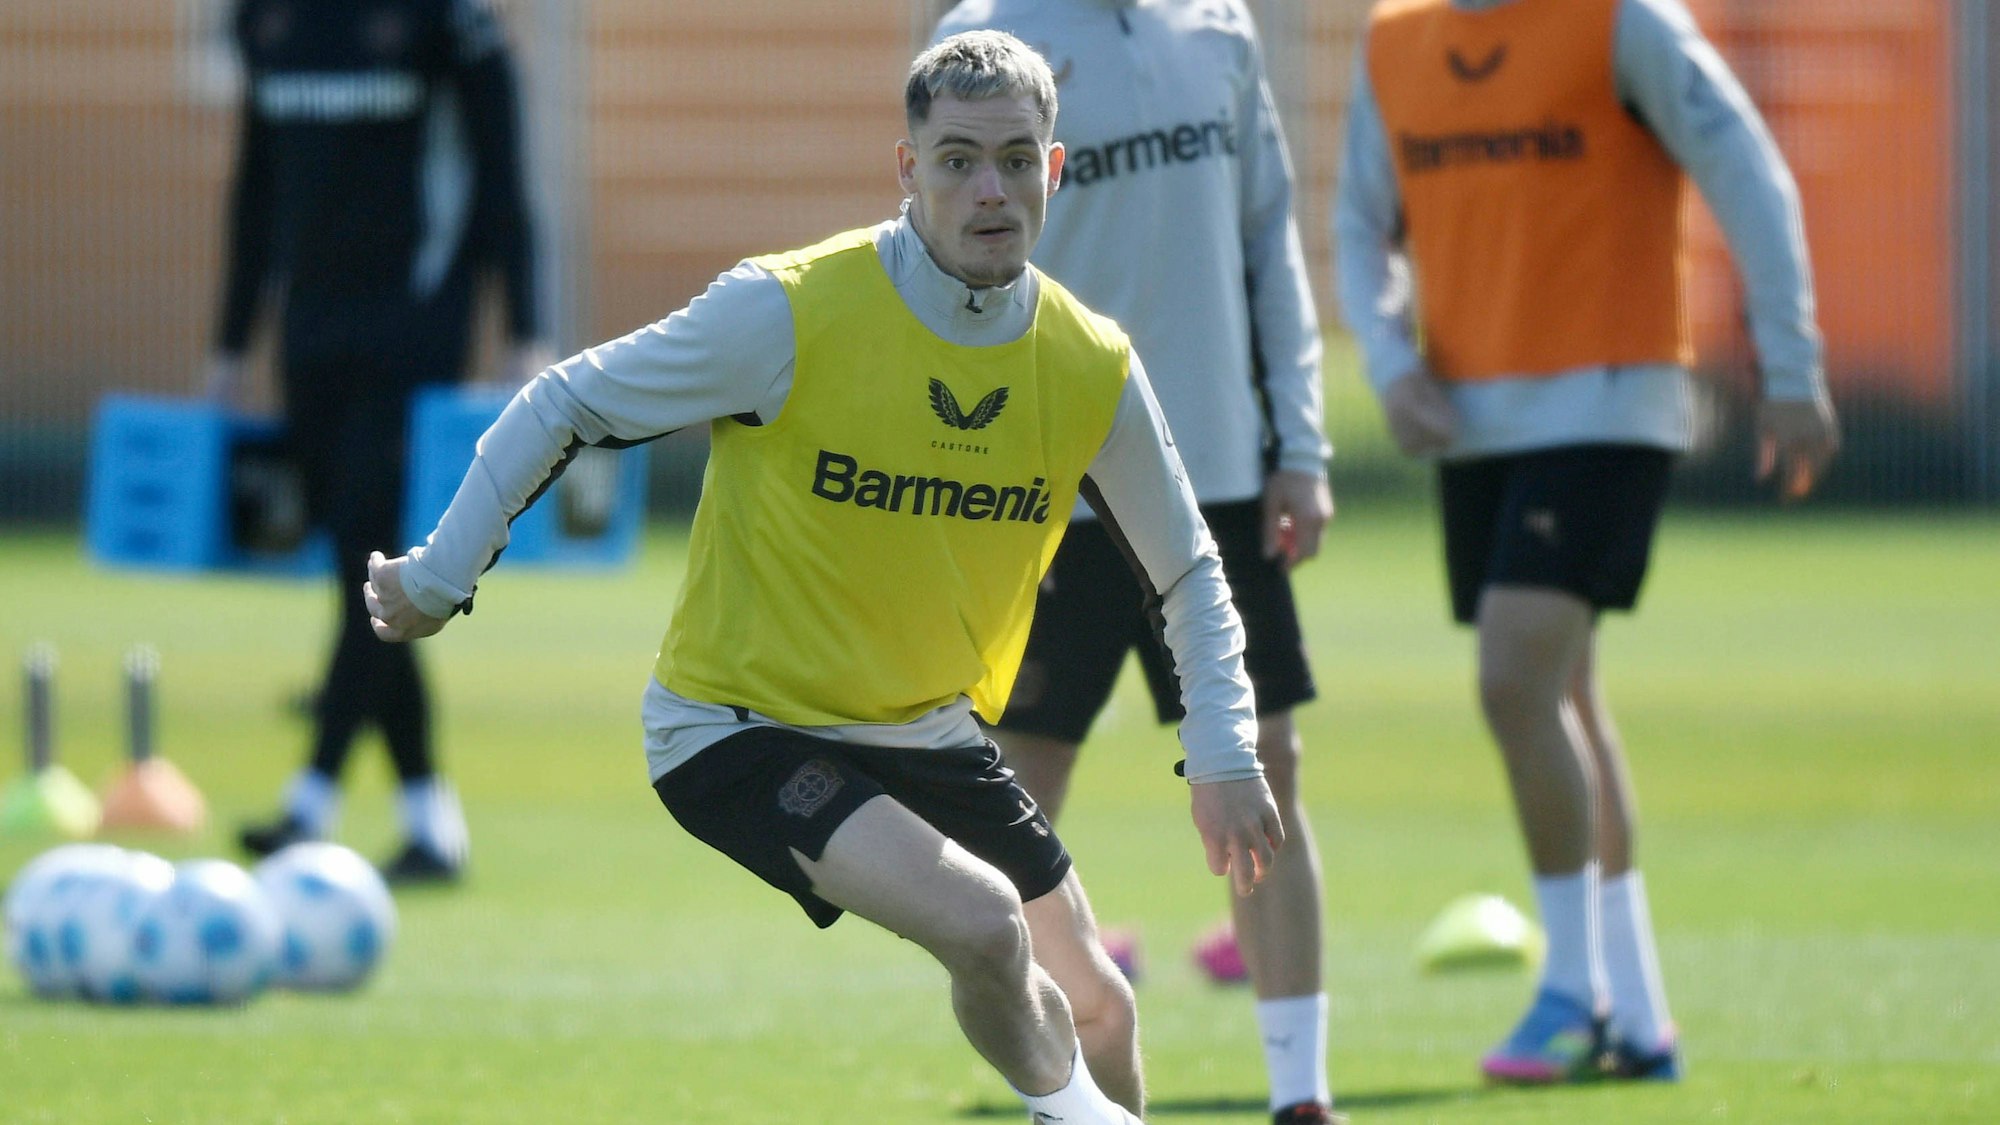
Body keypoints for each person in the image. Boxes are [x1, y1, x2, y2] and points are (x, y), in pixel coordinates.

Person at [363, 31, 1286, 1124]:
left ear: (1054, 169)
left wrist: (1223, 750)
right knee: (985, 924)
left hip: (926, 730)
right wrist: (438, 576)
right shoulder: (786, 311)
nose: (987, 188)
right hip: (736, 727)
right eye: (954, 160)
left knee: (1101, 1012)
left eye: (1012, 157)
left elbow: (1185, 571)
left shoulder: (1089, 365)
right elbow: (565, 400)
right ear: (908, 171)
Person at [1335, 0, 1839, 1085]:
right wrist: (1387, 361)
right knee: (1560, 697)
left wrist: (1790, 369)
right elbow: (1357, 226)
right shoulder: (1393, 39)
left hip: (1610, 404)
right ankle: (1637, 1017)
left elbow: (1746, 172)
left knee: (1511, 680)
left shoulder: (1621, 22)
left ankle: (1570, 992)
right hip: (1471, 419)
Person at [931, 3, 1339, 1122]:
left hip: (1215, 471)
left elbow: (1266, 236)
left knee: (1266, 766)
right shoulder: (982, 31)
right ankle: (1056, 1087)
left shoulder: (1219, 25)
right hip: (1042, 493)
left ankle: (1300, 1093)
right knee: (1015, 798)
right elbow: (940, 250)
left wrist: (1296, 443)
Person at [205, 0, 551, 883]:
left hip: (416, 328)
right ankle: (431, 822)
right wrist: (234, 339)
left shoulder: (450, 22)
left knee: (369, 551)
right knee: (353, 568)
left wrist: (526, 329)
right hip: (310, 335)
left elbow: (504, 170)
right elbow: (257, 181)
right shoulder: (266, 21)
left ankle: (308, 801)